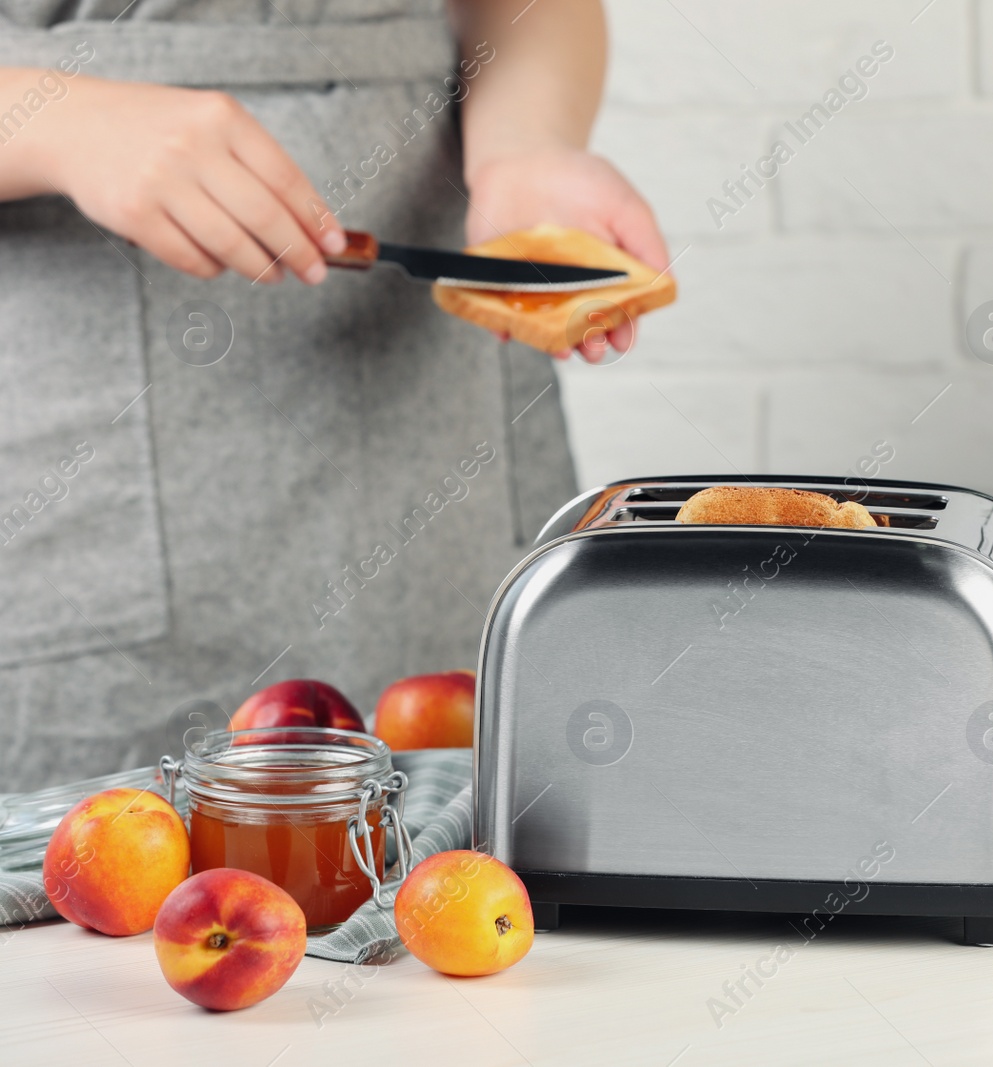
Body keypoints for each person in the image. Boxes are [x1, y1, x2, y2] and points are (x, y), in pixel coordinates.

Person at [0, 0, 667, 789]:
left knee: (478, 840)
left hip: (443, 418)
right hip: (84, 427)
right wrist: (57, 122)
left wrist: (523, 147)